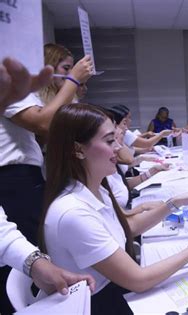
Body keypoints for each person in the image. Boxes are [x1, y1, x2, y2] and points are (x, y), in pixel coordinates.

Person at [39, 103, 188, 314]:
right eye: (110, 141)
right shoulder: (73, 213)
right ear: (78, 150)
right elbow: (139, 280)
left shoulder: (95, 189)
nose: (119, 147)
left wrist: (176, 202)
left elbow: (129, 227)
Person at [0, 45, 93, 314]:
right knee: (15, 270)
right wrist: (73, 80)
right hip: (14, 180)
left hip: (25, 178)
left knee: (32, 256)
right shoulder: (10, 85)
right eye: (64, 68)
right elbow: (44, 125)